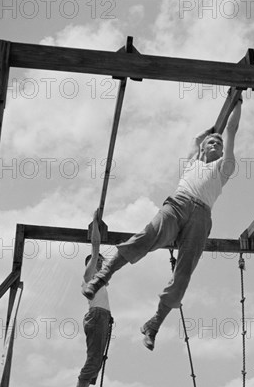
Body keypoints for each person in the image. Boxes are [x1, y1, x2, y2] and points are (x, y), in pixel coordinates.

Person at [82, 99, 242, 351]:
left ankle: (154, 324)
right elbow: (195, 139)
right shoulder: (192, 163)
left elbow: (231, 130)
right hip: (178, 204)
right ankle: (101, 277)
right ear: (202, 149)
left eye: (218, 143)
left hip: (201, 217)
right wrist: (210, 129)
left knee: (184, 273)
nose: (215, 143)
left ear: (222, 152)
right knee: (146, 237)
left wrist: (238, 100)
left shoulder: (225, 167)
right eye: (211, 141)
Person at [68, 210, 113, 387]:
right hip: (96, 317)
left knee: (97, 361)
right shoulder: (88, 277)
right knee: (94, 360)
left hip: (102, 317)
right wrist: (95, 223)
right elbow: (95, 248)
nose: (102, 265)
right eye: (99, 263)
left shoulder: (99, 283)